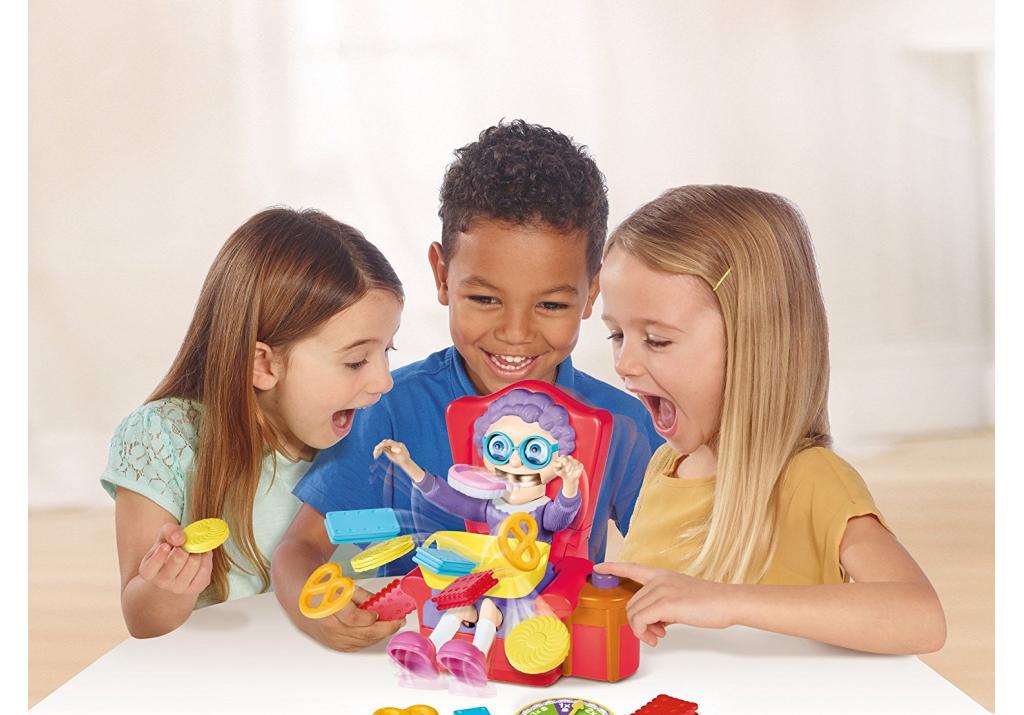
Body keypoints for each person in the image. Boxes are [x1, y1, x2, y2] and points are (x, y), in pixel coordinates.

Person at [272, 120, 662, 652]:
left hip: (551, 664)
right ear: (442, 275)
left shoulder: (624, 423)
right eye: (484, 299)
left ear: (592, 292)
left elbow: (673, 560)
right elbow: (299, 546)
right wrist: (312, 604)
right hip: (414, 665)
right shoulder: (388, 407)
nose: (516, 333)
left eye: (551, 304)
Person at [595, 185, 946, 655]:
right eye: (617, 335)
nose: (624, 364)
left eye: (657, 340)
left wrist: (727, 602)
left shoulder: (809, 478)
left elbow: (920, 618)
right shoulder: (665, 467)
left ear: (753, 343)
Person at [101, 208, 405, 644]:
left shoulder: (374, 438)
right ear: (263, 363)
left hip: (337, 667)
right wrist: (166, 588)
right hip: (225, 672)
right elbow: (143, 621)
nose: (384, 382)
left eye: (388, 351)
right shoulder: (164, 438)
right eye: (356, 361)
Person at [375, 387, 583, 682]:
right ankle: (429, 648)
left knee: (487, 605)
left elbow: (560, 518)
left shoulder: (542, 509)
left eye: (534, 451)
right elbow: (450, 498)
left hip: (528, 576)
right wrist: (408, 464)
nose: (514, 463)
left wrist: (570, 484)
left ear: (558, 458)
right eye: (500, 447)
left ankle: (478, 655)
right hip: (488, 572)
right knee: (460, 602)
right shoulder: (492, 505)